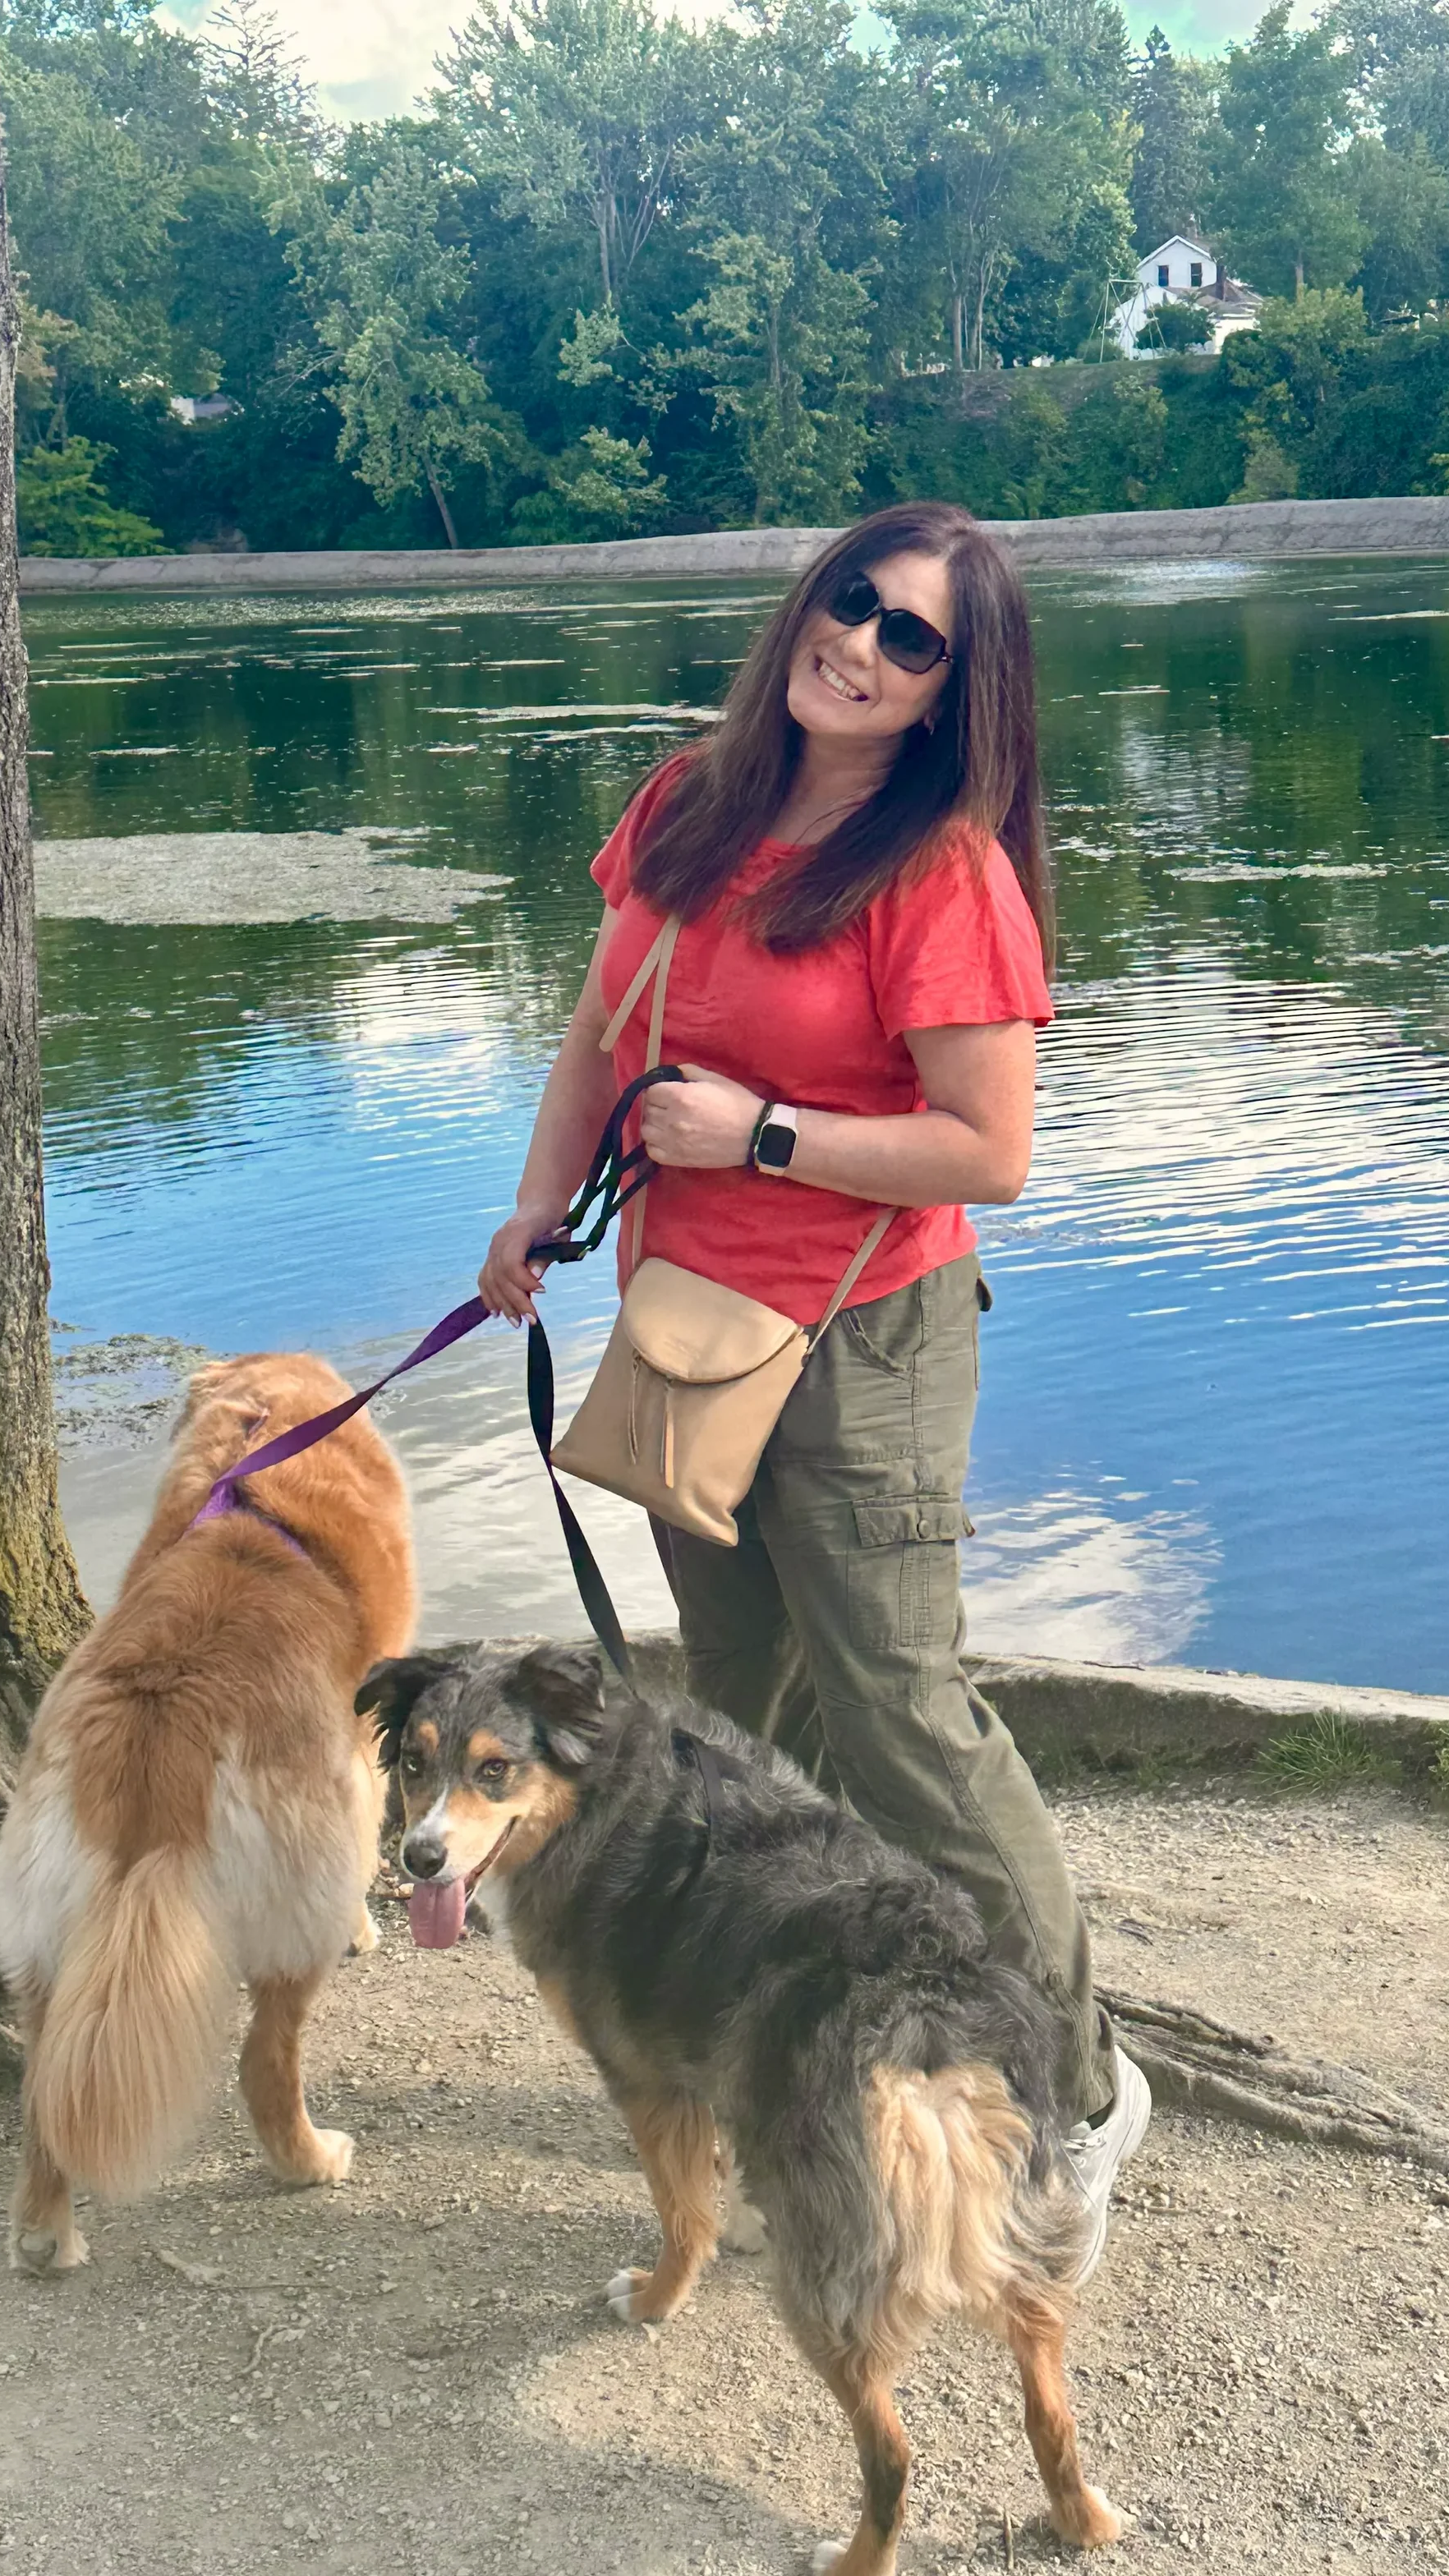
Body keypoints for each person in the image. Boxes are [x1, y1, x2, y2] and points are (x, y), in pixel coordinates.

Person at [480, 500, 1148, 2270]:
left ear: (951, 692)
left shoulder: (940, 873)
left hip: (864, 1340)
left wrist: (762, 1130)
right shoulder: (689, 801)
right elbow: (595, 1030)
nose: (859, 641)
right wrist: (537, 1213)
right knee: (732, 1709)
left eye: (910, 636)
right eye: (850, 600)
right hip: (688, 1325)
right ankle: (744, 2043)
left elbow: (984, 1149)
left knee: (902, 1718)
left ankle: (1072, 2100)